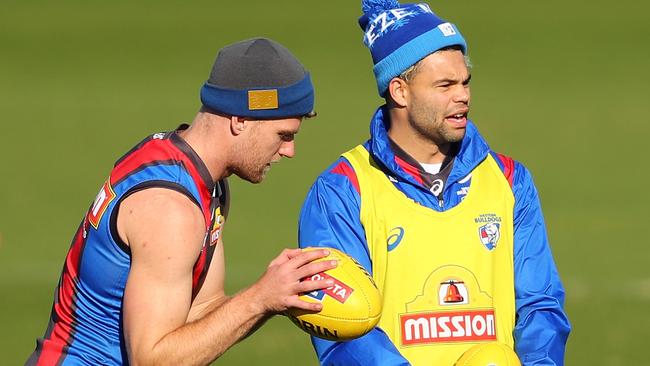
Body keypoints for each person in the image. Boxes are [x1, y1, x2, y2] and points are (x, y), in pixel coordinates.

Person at [27, 37, 338, 366]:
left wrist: (277, 295)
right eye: (284, 135)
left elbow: (202, 312)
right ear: (241, 120)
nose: (289, 151)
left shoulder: (200, 177)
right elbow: (152, 359)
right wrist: (259, 300)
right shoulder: (170, 208)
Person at [298, 1, 571, 365]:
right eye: (445, 85)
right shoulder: (343, 190)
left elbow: (540, 303)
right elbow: (342, 329)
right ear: (399, 91)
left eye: (465, 82)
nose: (463, 96)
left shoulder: (509, 180)